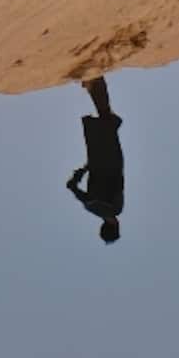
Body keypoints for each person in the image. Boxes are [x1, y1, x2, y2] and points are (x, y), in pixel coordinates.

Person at [66, 75, 124, 243]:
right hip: (97, 161)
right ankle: (92, 85)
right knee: (107, 122)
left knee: (107, 121)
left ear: (116, 225)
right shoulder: (92, 208)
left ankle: (94, 81)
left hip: (111, 161)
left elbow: (117, 184)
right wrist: (84, 170)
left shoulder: (115, 210)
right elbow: (72, 187)